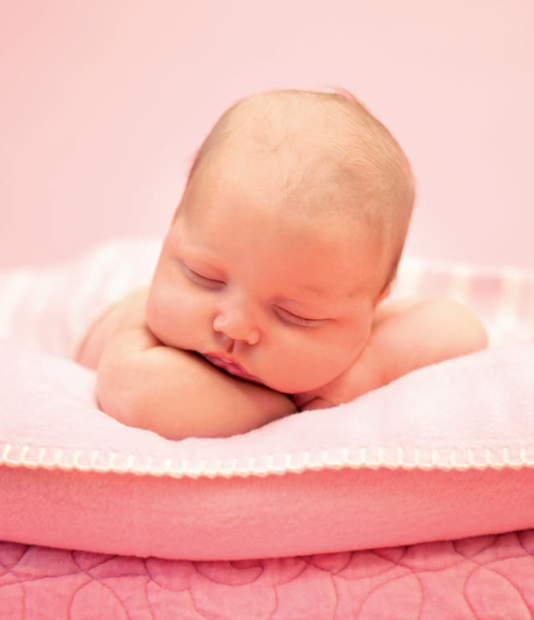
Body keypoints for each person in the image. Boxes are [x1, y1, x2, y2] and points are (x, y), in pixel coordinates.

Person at [77, 89, 488, 439]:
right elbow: (133, 393)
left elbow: (460, 330)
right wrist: (284, 411)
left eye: (295, 315)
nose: (234, 327)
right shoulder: (146, 333)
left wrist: (365, 372)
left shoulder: (352, 322)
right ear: (171, 235)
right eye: (204, 278)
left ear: (373, 305)